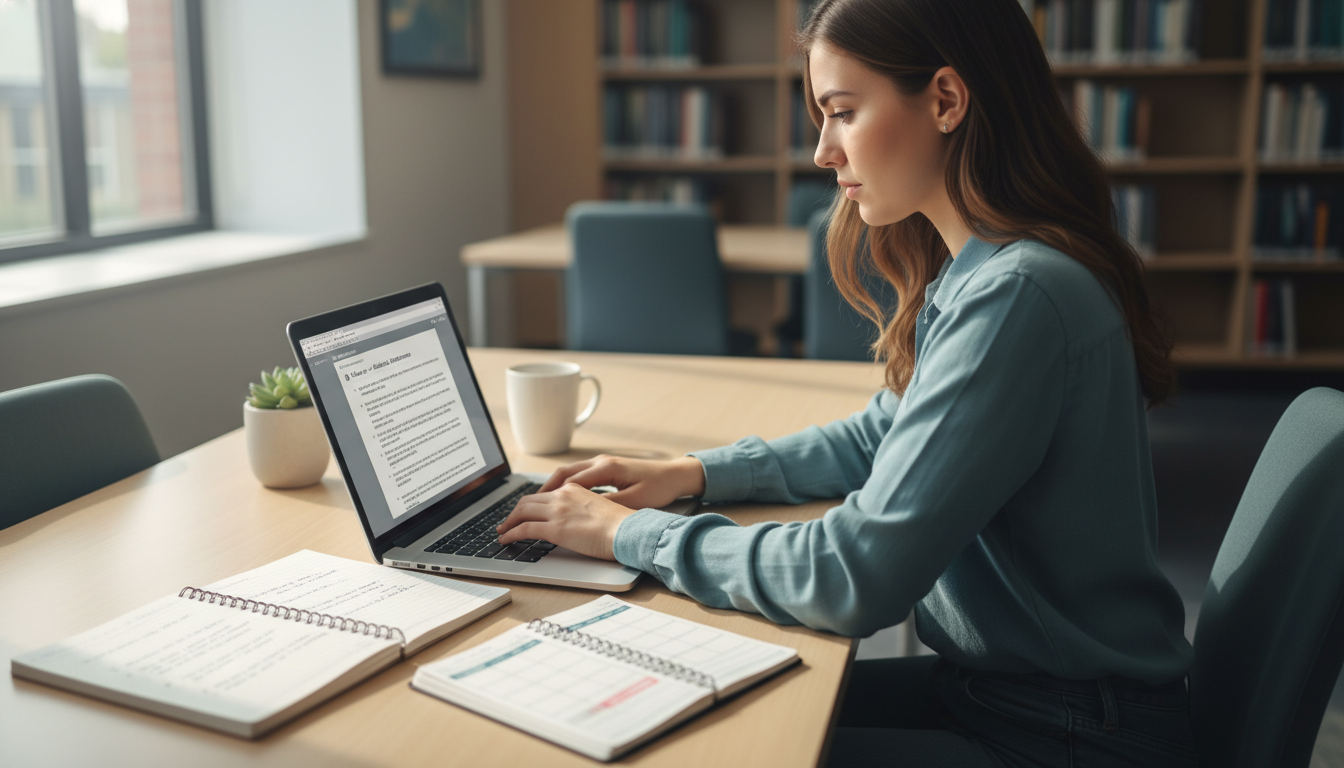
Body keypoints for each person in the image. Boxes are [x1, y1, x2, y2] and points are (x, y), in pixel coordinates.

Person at [497, 0, 1197, 764]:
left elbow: (852, 574)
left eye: (843, 112)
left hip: (1069, 732)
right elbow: (880, 434)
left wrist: (625, 535)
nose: (823, 151)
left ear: (946, 100)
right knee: (694, 713)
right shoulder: (987, 270)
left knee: (705, 748)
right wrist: (693, 473)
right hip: (1013, 692)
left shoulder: (1018, 294)